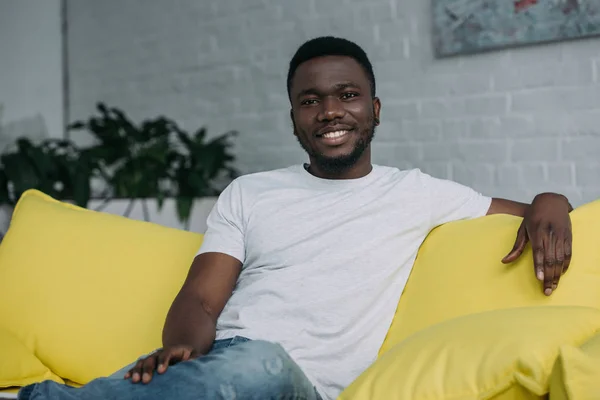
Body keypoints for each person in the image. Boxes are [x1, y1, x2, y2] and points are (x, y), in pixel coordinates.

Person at [18, 36, 573, 400]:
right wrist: (182, 348)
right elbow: (201, 298)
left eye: (347, 95)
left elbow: (531, 211)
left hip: (295, 385)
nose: (330, 111)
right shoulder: (251, 193)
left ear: (373, 110)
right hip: (222, 369)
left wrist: (551, 198)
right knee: (210, 370)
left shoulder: (418, 192)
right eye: (310, 100)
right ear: (293, 118)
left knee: (259, 365)